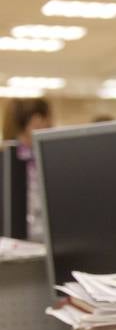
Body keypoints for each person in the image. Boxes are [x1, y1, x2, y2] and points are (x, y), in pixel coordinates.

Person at [4, 99, 51, 240]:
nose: (50, 126)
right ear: (36, 120)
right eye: (48, 120)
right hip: (24, 238)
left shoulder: (35, 156)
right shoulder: (14, 161)